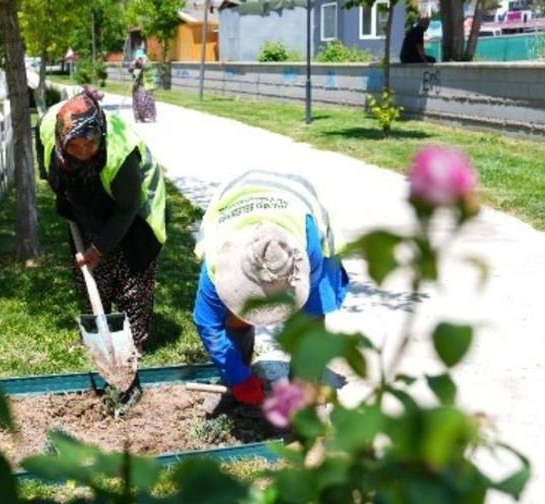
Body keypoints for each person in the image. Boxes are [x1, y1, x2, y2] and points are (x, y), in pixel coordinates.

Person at [192, 170, 349, 405]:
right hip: (238, 196)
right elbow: (207, 323)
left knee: (312, 315)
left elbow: (310, 313)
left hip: (296, 205)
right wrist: (237, 377)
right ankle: (239, 368)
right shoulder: (217, 260)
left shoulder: (309, 250)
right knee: (232, 315)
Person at [36, 88, 167, 350]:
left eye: (90, 144)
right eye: (75, 145)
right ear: (62, 138)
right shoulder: (52, 126)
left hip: (135, 207)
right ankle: (96, 335)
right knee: (90, 273)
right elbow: (43, 153)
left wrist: (100, 248)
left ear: (101, 136)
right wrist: (58, 185)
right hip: (88, 195)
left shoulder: (120, 156)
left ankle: (133, 343)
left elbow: (127, 208)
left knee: (133, 276)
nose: (84, 151)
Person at [130, 56, 157, 123]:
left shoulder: (147, 63)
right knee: (137, 102)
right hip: (136, 86)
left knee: (145, 102)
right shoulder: (134, 64)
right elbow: (130, 69)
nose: (139, 60)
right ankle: (139, 117)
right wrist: (134, 66)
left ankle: (150, 116)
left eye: (140, 58)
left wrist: (141, 65)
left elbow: (146, 66)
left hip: (145, 86)